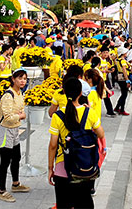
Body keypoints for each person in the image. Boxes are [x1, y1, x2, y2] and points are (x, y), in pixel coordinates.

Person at [48, 78, 105, 209]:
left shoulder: (58, 116)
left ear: (64, 92)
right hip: (85, 166)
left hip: (63, 167)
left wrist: (51, 168)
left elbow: (53, 145)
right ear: (80, 93)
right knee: (85, 200)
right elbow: (101, 134)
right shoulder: (89, 112)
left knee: (63, 204)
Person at [0, 68, 30, 202]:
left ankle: (15, 184)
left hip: (15, 130)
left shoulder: (19, 93)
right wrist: (21, 116)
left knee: (16, 157)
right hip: (5, 131)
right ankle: (2, 191)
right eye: (20, 78)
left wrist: (20, 115)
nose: (22, 81)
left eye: (25, 78)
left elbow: (19, 110)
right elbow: (8, 117)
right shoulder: (8, 95)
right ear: (13, 79)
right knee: (5, 161)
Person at [114, 47, 132, 116]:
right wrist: (127, 80)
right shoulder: (123, 61)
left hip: (119, 77)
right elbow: (124, 70)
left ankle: (117, 107)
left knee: (123, 93)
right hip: (124, 78)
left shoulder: (118, 60)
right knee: (124, 94)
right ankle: (122, 109)